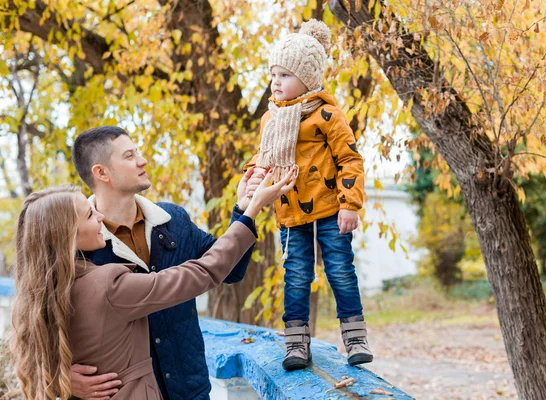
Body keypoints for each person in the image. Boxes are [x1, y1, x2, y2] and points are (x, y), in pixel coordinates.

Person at [10, 171, 295, 399]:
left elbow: (36, 344)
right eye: (88, 215)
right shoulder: (105, 283)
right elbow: (206, 270)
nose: (98, 217)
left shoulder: (49, 286)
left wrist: (60, 378)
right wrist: (251, 211)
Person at [68, 126, 260, 399]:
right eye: (129, 155)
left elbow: (228, 270)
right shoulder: (79, 245)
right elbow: (41, 325)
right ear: (102, 173)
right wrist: (60, 376)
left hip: (191, 391)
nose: (142, 161)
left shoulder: (174, 219)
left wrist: (244, 209)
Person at [245, 19, 372, 371]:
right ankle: (296, 344)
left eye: (285, 75)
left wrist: (350, 205)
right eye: (274, 75)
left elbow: (350, 159)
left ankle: (355, 337)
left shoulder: (327, 114)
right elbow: (263, 156)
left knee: (340, 271)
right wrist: (252, 175)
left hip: (332, 210)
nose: (276, 82)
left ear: (308, 77)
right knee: (297, 275)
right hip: (290, 213)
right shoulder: (271, 119)